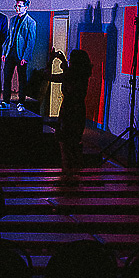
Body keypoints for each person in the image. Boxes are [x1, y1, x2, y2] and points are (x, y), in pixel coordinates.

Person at [47, 48, 93, 181]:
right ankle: (75, 178)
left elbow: (49, 76)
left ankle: (67, 178)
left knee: (65, 147)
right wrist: (64, 64)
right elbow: (70, 76)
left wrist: (52, 61)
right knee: (74, 145)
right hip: (79, 111)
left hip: (68, 111)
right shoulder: (83, 74)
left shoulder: (70, 74)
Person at [1, 0, 37, 112]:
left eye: (20, 6)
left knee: (22, 79)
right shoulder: (13, 20)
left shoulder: (31, 22)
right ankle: (6, 101)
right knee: (7, 77)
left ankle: (21, 102)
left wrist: (25, 57)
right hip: (10, 52)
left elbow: (31, 41)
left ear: (26, 7)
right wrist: (4, 52)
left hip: (21, 54)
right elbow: (8, 37)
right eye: (16, 6)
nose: (17, 8)